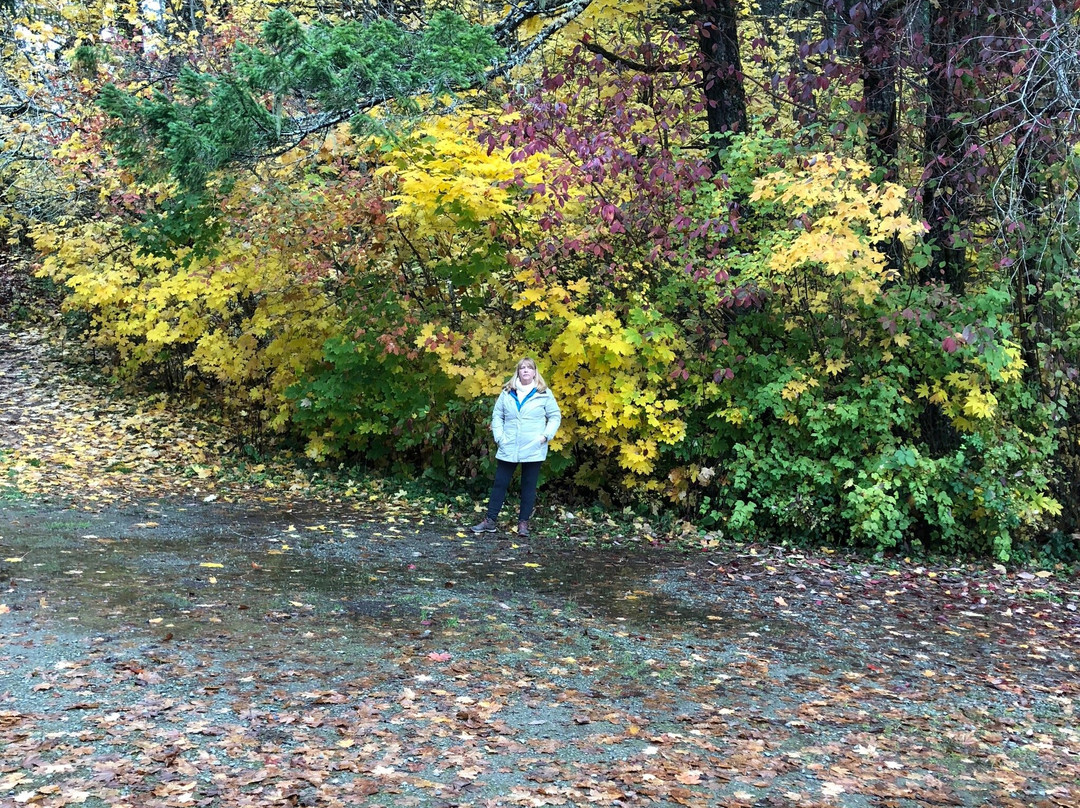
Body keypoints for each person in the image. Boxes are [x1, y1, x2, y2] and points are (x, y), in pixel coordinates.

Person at [471, 357, 562, 537]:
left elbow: (555, 416)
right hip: (509, 444)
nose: (526, 371)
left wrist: (545, 436)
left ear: (535, 372)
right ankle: (490, 520)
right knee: (500, 483)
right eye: (522, 368)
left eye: (529, 368)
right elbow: (497, 415)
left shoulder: (544, 393)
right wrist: (499, 437)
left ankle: (523, 524)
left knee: (528, 485)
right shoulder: (507, 392)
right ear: (518, 372)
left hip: (534, 446)